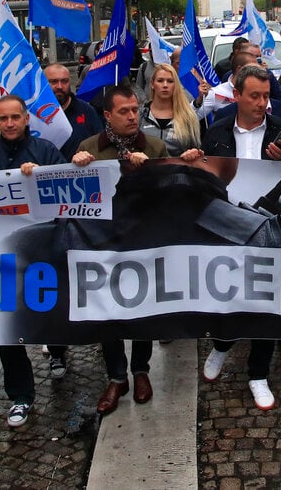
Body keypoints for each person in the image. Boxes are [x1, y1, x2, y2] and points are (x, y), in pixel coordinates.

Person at [72, 86, 181, 414]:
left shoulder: (155, 146)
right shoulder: (89, 148)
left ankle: (141, 370)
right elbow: (75, 201)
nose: (133, 116)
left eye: (135, 109)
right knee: (109, 311)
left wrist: (150, 171)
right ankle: (117, 376)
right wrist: (77, 166)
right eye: (124, 111)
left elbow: (170, 196)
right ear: (107, 115)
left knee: (143, 308)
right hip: (104, 246)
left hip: (144, 242)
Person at [200, 65, 281, 410]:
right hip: (229, 226)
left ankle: (258, 373)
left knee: (266, 302)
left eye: (266, 96)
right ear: (236, 95)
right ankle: (223, 344)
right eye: (254, 96)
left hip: (269, 227)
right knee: (229, 294)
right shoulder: (216, 129)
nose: (261, 103)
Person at [0, 94, 65, 427]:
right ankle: (20, 396)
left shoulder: (45, 152)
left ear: (26, 119)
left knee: (49, 311)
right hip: (1, 256)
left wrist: (43, 175)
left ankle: (57, 351)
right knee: (8, 327)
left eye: (15, 117)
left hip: (41, 251)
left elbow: (65, 192)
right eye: (3, 118)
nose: (9, 124)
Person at [140, 63, 203, 156]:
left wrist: (192, 154)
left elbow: (196, 151)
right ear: (152, 84)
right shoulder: (140, 114)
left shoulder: (188, 117)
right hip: (144, 169)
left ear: (176, 85)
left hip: (178, 169)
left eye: (170, 81)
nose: (165, 85)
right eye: (160, 80)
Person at [44, 63, 103, 160]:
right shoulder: (34, 114)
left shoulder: (86, 110)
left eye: (64, 81)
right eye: (54, 82)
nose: (60, 86)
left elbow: (100, 143)